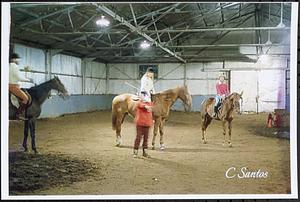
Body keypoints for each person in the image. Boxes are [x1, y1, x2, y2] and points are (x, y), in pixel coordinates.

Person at [9, 53, 33, 120]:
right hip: (13, 86)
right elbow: (19, 78)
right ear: (14, 59)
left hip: (11, 85)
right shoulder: (14, 66)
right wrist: (29, 80)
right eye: (18, 59)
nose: (19, 61)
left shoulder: (8, 66)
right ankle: (18, 114)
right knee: (26, 98)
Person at [133, 91, 153, 158]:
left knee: (146, 139)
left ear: (145, 96)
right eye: (140, 95)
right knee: (138, 138)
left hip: (147, 124)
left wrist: (148, 105)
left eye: (142, 95)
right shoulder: (139, 103)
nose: (140, 96)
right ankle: (135, 152)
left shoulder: (149, 103)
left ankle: (145, 152)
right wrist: (146, 106)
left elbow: (151, 107)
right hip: (140, 124)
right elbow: (141, 105)